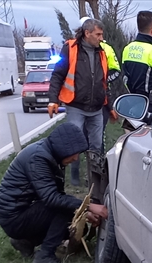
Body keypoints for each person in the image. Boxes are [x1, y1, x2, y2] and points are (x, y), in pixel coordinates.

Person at [0, 122, 107, 263]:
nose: (75, 159)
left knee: (78, 227)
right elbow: (52, 199)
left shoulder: (52, 155)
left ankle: (26, 242)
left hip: (24, 211)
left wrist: (82, 213)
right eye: (74, 153)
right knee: (62, 210)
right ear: (64, 147)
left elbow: (58, 194)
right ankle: (44, 256)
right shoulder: (38, 158)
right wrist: (89, 206)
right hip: (13, 217)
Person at [47, 17, 115, 187]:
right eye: (98, 34)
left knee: (97, 145)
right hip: (76, 106)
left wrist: (111, 106)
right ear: (87, 33)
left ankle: (95, 181)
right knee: (75, 142)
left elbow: (103, 82)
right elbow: (58, 75)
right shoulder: (70, 49)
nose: (101, 38)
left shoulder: (102, 53)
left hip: (97, 108)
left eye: (102, 34)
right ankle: (75, 179)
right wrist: (52, 100)